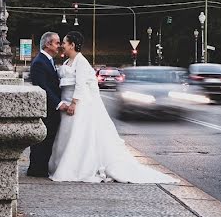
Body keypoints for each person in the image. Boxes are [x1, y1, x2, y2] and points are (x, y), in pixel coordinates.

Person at [49, 31, 177, 183]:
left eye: (64, 42)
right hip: (66, 103)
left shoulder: (81, 62)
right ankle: (64, 164)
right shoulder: (66, 62)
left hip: (76, 106)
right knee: (67, 136)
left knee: (78, 137)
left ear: (72, 45)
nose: (62, 45)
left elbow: (81, 85)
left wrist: (74, 103)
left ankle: (77, 167)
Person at [28, 32, 69, 177]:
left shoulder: (47, 60)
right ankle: (36, 170)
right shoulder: (39, 62)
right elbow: (43, 88)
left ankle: (41, 167)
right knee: (43, 139)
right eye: (57, 43)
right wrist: (58, 104)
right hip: (46, 108)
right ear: (48, 44)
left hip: (50, 109)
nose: (60, 46)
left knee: (48, 138)